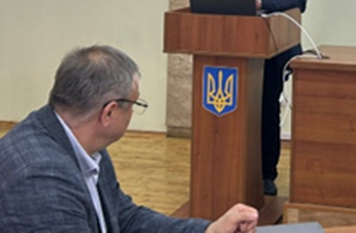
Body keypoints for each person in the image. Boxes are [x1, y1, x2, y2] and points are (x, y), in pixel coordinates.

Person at [0, 45, 258, 233]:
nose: (133, 112)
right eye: (135, 104)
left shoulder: (85, 145)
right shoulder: (41, 177)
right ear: (110, 113)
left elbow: (125, 218)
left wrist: (208, 230)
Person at [215, 0, 306, 197]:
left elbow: (298, 1)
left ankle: (267, 174)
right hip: (234, 51)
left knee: (266, 112)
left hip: (273, 51)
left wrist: (261, 4)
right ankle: (231, 171)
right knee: (233, 114)